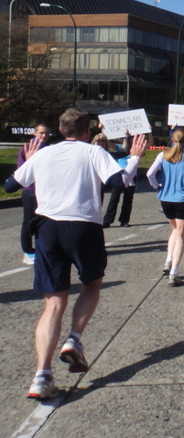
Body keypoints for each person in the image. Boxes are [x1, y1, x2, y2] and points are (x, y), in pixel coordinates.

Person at [5, 108, 146, 400]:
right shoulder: (93, 152)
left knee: (54, 302)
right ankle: (74, 338)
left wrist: (31, 164)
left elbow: (9, 185)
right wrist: (133, 158)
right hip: (83, 226)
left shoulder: (43, 154)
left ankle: (41, 376)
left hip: (48, 228)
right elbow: (118, 183)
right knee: (92, 283)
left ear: (60, 129)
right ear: (86, 131)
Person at [146, 127, 184, 286]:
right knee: (181, 236)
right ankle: (174, 271)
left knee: (175, 230)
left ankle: (168, 260)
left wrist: (157, 186)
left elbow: (150, 174)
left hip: (166, 198)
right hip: (182, 199)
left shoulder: (162, 155)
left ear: (172, 139)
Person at [16, 123, 51, 265]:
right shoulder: (27, 149)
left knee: (43, 222)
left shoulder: (50, 149)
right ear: (35, 133)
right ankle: (28, 251)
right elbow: (21, 171)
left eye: (47, 133)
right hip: (31, 191)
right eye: (41, 133)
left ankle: (41, 248)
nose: (44, 136)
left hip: (46, 191)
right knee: (29, 222)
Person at [102, 132, 140, 228]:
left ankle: (124, 220)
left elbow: (150, 142)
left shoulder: (136, 149)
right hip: (119, 175)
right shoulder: (119, 147)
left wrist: (150, 131)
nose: (127, 140)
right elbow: (108, 142)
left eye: (129, 139)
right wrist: (103, 129)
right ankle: (107, 220)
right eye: (125, 139)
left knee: (128, 199)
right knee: (114, 198)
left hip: (131, 176)